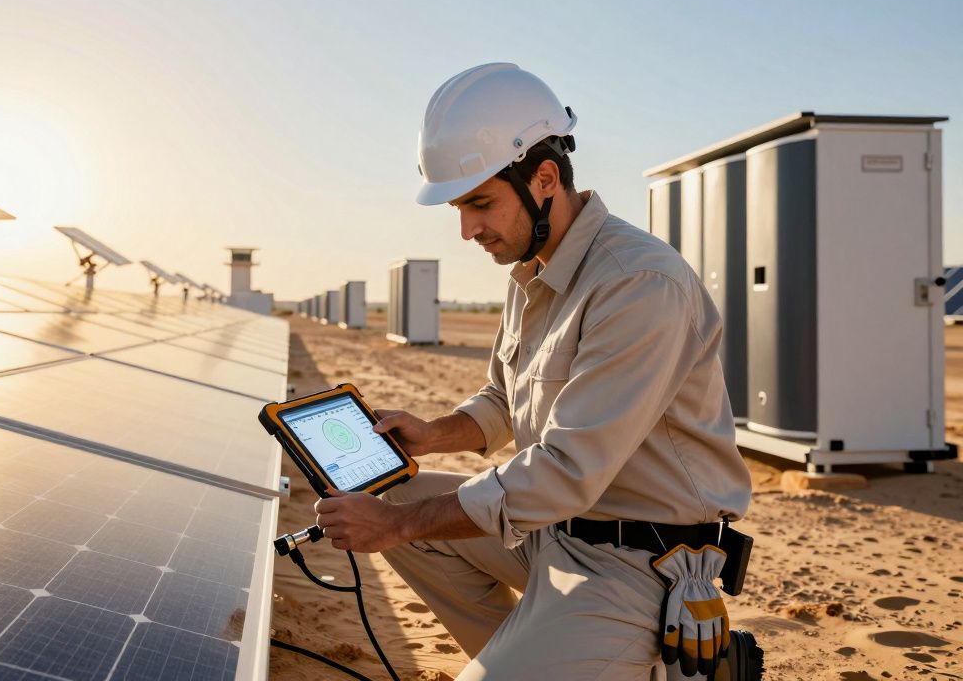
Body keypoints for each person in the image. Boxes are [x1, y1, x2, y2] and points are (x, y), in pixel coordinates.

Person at [312, 63, 754, 680]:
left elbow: (565, 470)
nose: (467, 230)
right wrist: (434, 433)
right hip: (552, 533)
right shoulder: (532, 271)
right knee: (398, 491)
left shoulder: (638, 283)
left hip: (637, 563)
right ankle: (546, 655)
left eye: (480, 203)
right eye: (459, 208)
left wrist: (395, 526)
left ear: (544, 178)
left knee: (402, 515)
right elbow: (504, 398)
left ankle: (615, 659)